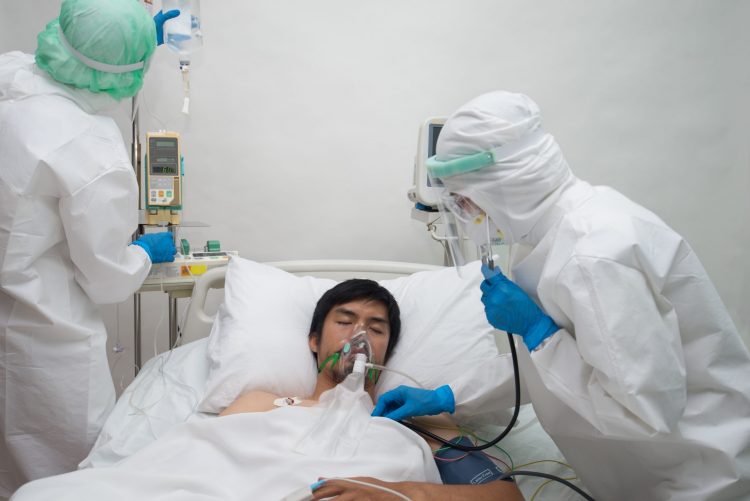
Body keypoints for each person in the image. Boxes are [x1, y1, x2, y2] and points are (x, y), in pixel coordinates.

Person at [367, 90, 750, 500]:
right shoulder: (553, 235)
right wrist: (448, 396)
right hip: (648, 475)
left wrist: (538, 331)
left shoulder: (593, 256)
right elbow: (558, 365)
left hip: (701, 479)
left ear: (502, 184)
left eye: (463, 199)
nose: (464, 214)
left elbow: (646, 410)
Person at [0, 0, 179, 494]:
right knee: (67, 477)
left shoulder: (13, 83)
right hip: (49, 338)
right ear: (129, 71)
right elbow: (105, 276)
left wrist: (129, 43)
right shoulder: (90, 147)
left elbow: (60, 59)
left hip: (10, 312)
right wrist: (145, 252)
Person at [223, 279, 523, 501]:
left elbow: (504, 496)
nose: (360, 334)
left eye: (376, 329)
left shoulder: (422, 423)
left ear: (386, 355)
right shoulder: (261, 403)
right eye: (344, 321)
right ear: (314, 341)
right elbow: (199, 464)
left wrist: (394, 493)